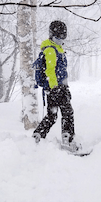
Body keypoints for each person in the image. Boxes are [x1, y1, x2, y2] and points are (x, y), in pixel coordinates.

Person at [33, 20, 77, 150]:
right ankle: (68, 140)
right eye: (58, 37)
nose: (60, 40)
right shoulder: (51, 50)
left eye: (63, 37)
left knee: (52, 115)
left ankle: (38, 136)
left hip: (54, 88)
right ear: (51, 35)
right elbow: (50, 70)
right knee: (67, 113)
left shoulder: (56, 48)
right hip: (56, 88)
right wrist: (55, 87)